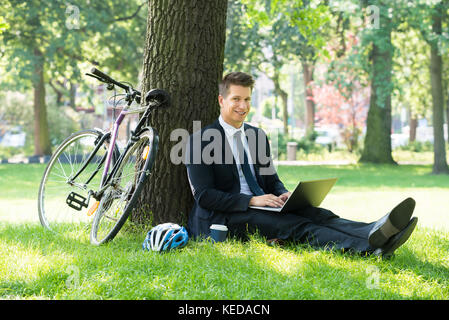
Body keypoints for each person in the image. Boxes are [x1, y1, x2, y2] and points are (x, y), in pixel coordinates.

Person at [184, 71, 417, 258]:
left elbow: (271, 179)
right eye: (236, 99)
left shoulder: (256, 136)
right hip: (225, 217)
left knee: (318, 214)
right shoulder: (200, 141)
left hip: (263, 204)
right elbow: (204, 196)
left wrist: (284, 194)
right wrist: (252, 200)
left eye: (246, 99)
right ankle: (369, 248)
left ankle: (377, 230)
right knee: (297, 225)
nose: (242, 106)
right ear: (221, 100)